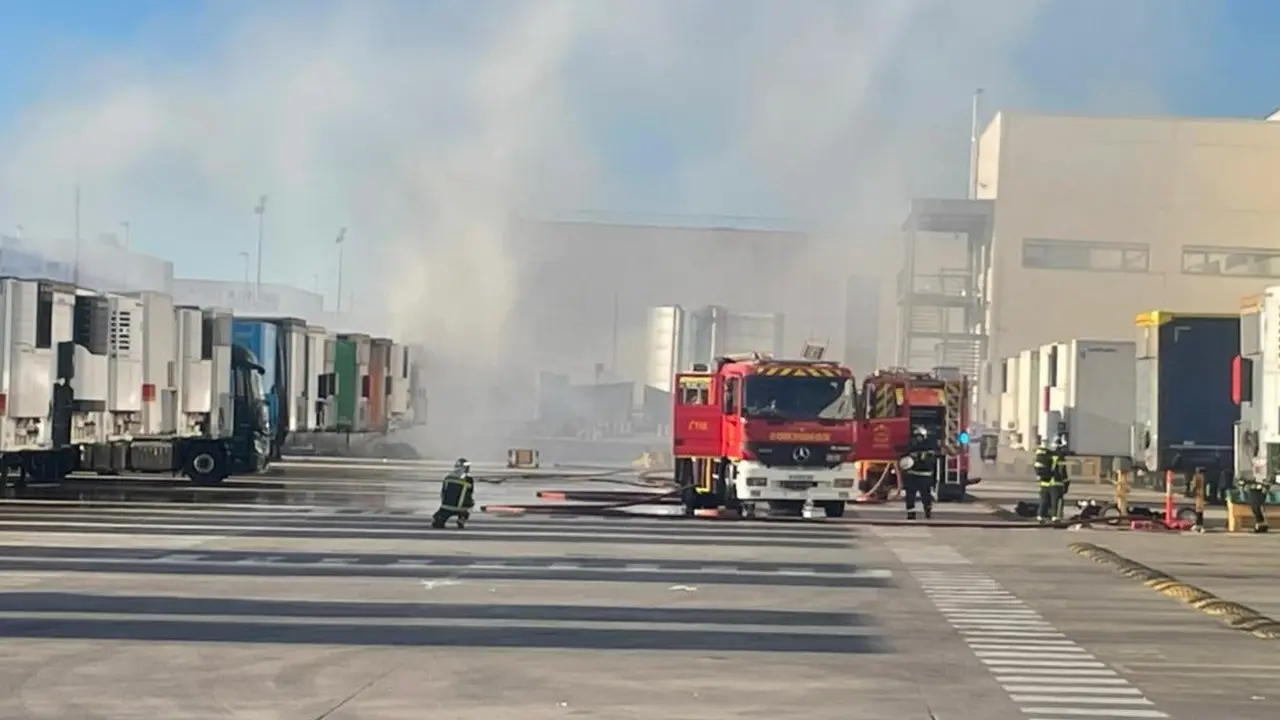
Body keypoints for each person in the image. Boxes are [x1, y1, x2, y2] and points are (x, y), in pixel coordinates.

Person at [899, 425, 938, 520]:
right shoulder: (930, 447)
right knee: (916, 497)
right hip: (918, 477)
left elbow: (904, 460)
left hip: (917, 477)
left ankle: (920, 512)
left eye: (919, 436)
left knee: (919, 496)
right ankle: (916, 513)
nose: (918, 439)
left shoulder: (912, 446)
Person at [432, 458, 476, 529]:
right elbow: (470, 493)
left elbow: (443, 493)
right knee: (471, 504)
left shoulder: (447, 478)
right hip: (462, 507)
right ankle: (462, 518)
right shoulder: (469, 480)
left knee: (437, 521)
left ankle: (439, 518)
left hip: (447, 506)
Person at [1033, 437, 1068, 524]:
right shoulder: (1059, 456)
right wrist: (1065, 481)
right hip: (1055, 482)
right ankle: (1055, 517)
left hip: (1044, 482)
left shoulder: (1045, 454)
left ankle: (1040, 516)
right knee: (1055, 501)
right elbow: (1061, 470)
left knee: (1044, 500)